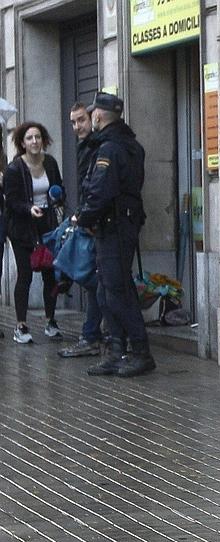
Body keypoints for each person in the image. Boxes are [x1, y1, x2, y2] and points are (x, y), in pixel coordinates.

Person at [77, 92, 155, 378]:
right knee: (107, 290)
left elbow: (100, 189)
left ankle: (140, 351)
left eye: (92, 114)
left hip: (113, 226)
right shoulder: (130, 145)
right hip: (120, 224)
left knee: (117, 291)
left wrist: (84, 218)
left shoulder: (109, 149)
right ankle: (117, 349)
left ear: (97, 116)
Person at [4, 121, 64, 344]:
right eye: (29, 138)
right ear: (22, 143)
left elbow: (59, 189)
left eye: (38, 137)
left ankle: (51, 321)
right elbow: (11, 201)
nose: (34, 141)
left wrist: (58, 196)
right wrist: (29, 208)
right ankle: (21, 325)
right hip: (22, 227)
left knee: (50, 274)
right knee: (25, 275)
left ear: (43, 139)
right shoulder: (14, 168)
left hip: (47, 225)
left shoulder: (50, 163)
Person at [59, 101, 104, 358]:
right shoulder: (84, 147)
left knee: (94, 281)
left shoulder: (98, 146)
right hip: (88, 221)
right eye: (74, 122)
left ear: (92, 118)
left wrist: (85, 217)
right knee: (92, 281)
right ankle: (94, 334)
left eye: (81, 120)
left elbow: (96, 188)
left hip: (96, 224)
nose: (77, 126)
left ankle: (93, 336)